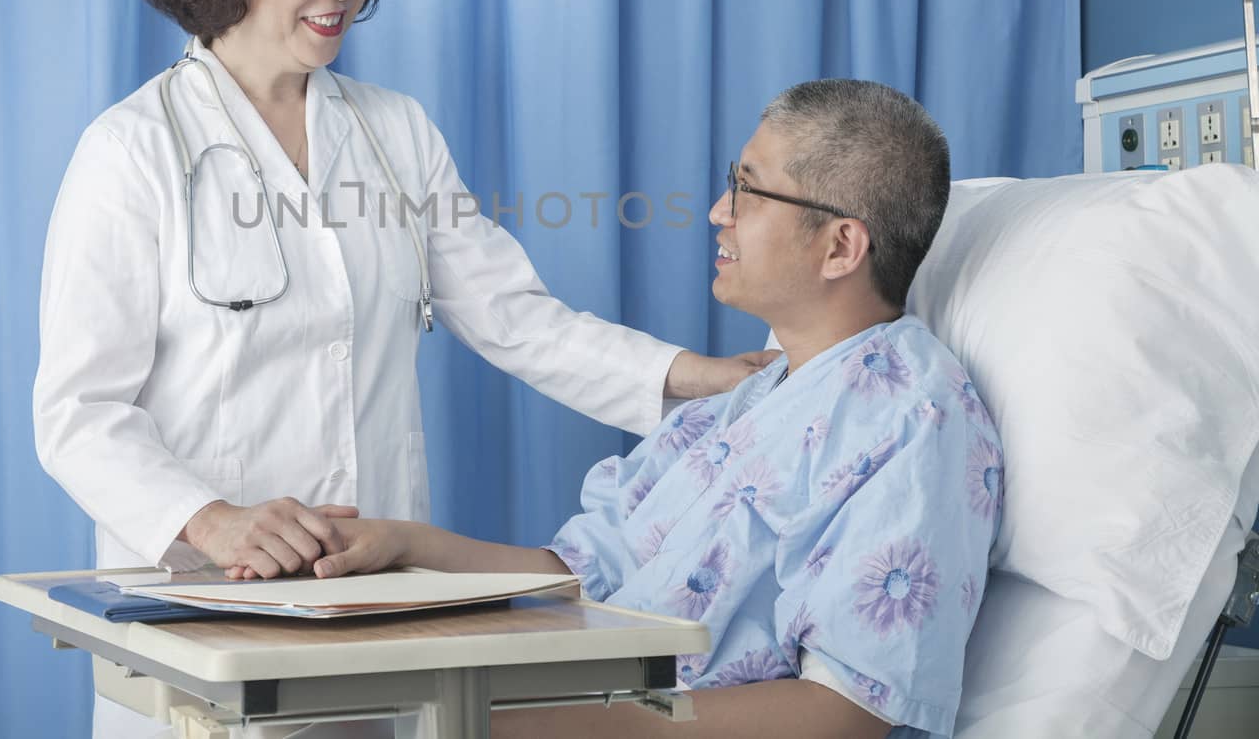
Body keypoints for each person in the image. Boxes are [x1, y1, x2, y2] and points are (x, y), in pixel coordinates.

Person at [31, 0, 771, 738]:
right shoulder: (131, 152)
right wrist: (211, 519)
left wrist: (694, 381)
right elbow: (78, 412)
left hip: (377, 612)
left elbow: (515, 316)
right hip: (204, 614)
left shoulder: (392, 132)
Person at [312, 80, 1004, 739]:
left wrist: (513, 722)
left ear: (841, 246)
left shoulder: (917, 418)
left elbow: (845, 710)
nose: (718, 211)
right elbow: (577, 572)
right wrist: (406, 546)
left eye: (748, 190)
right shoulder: (745, 403)